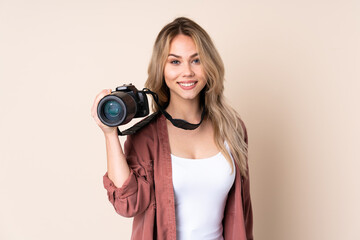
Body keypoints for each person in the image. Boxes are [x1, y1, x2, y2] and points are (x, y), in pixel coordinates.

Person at [91, 17, 253, 240]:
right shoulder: (146, 137)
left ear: (209, 65)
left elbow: (242, 214)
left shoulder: (232, 129)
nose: (187, 72)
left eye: (196, 60)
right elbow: (127, 204)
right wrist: (109, 134)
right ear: (162, 68)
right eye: (175, 62)